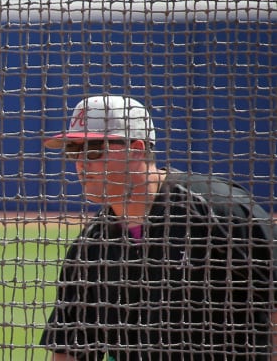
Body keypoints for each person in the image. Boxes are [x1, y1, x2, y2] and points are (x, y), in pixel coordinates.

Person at [40, 95, 277, 361]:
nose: (82, 164)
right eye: (74, 151)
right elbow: (70, 348)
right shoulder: (92, 245)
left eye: (94, 150)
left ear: (137, 148)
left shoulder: (221, 210)